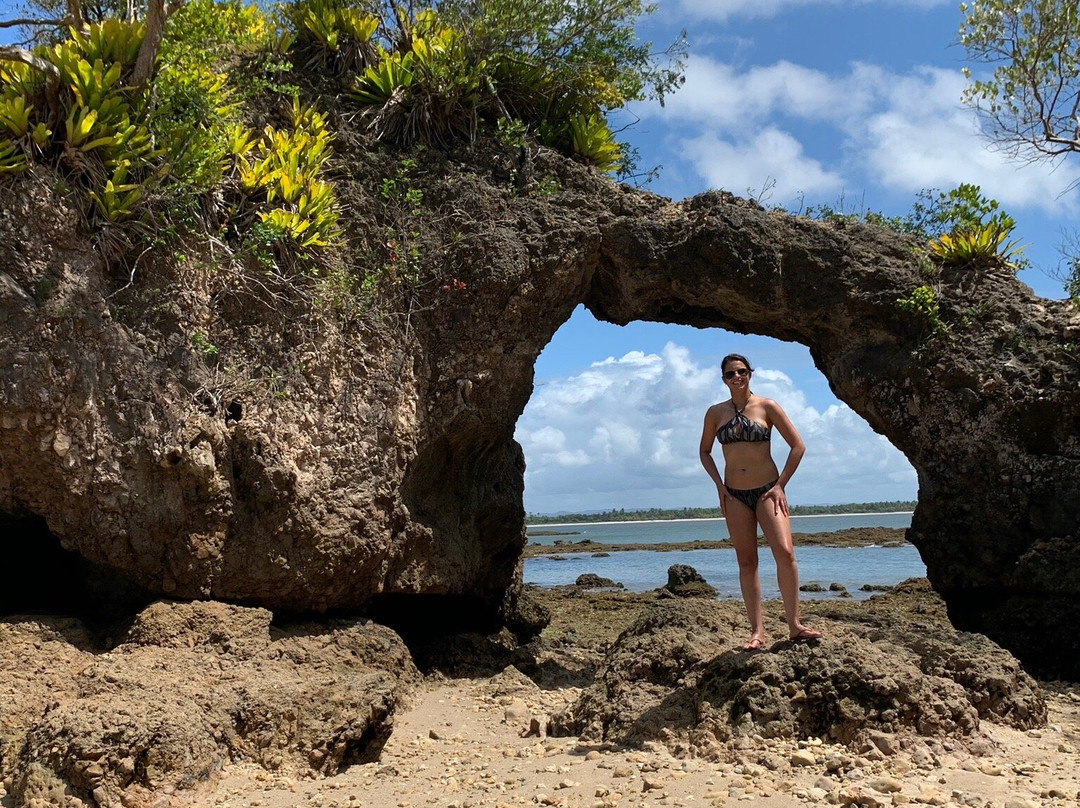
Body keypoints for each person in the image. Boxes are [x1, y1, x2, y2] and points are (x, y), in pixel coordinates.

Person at [699, 353, 822, 650]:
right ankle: (757, 632)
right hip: (735, 494)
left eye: (742, 371)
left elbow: (798, 446)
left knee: (785, 551)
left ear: (750, 374)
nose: (737, 377)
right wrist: (719, 486)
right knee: (747, 561)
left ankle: (794, 624)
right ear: (723, 379)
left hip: (768, 490)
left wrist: (781, 486)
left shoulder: (767, 406)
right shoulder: (715, 413)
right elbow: (705, 451)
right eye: (730, 374)